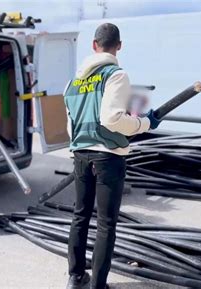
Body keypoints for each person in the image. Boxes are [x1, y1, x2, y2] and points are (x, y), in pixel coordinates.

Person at [64, 23, 161, 289]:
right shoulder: (116, 75)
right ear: (119, 46)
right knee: (106, 224)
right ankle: (97, 285)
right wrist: (144, 124)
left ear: (94, 45)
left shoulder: (73, 82)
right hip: (107, 158)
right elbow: (111, 119)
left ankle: (75, 277)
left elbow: (70, 125)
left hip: (81, 155)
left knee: (80, 215)